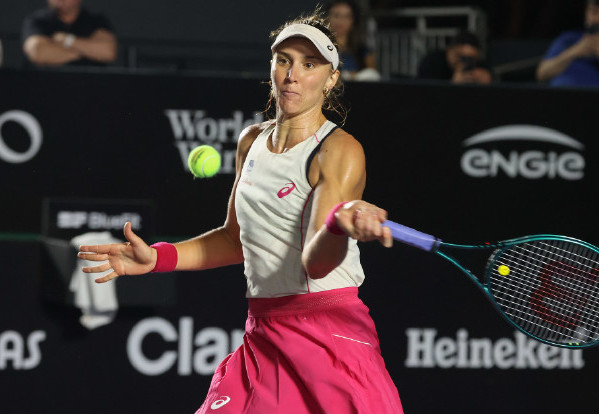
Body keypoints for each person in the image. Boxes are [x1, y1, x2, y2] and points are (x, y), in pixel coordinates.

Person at [77, 9, 403, 414]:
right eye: (283, 60)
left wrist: (337, 225)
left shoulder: (338, 150)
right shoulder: (251, 141)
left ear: (331, 79)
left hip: (330, 335)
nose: (292, 75)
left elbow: (317, 264)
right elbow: (236, 240)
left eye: (309, 64)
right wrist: (159, 258)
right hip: (264, 332)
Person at [22, 0, 117, 67]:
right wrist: (87, 53)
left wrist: (68, 41)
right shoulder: (38, 21)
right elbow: (37, 52)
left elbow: (108, 52)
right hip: (45, 84)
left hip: (89, 84)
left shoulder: (96, 20)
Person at [536, 0, 599, 87]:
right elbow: (542, 74)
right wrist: (574, 51)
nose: (597, 19)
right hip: (562, 92)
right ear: (586, 13)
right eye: (594, 12)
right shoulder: (569, 39)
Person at [326, 0, 381, 81]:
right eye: (336, 15)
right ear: (327, 18)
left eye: (347, 16)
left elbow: (373, 75)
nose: (341, 21)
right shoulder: (319, 47)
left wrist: (350, 76)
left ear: (353, 21)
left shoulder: (363, 51)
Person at [417, 30, 492, 85]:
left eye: (470, 58)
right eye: (460, 56)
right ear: (449, 50)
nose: (465, 61)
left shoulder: (479, 65)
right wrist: (453, 85)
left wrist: (486, 82)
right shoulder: (432, 63)